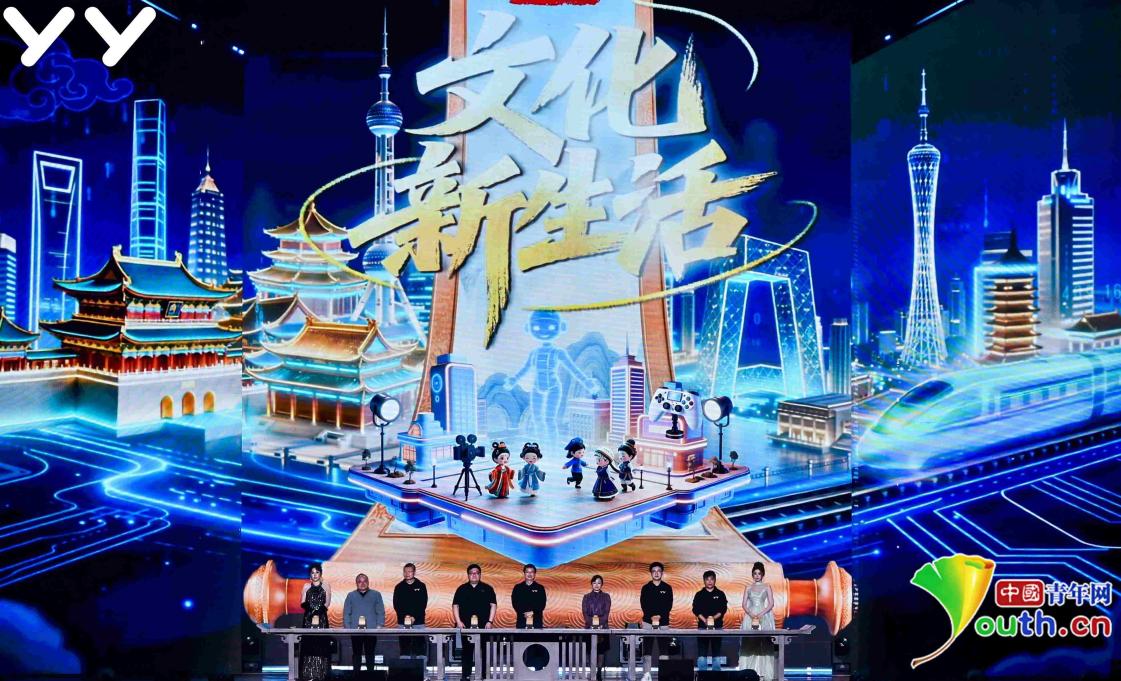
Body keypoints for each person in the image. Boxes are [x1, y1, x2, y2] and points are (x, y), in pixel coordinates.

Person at [452, 563, 497, 679]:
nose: (474, 575)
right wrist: (458, 621)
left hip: (484, 627)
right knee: (467, 652)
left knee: (484, 651)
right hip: (465, 626)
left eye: (476, 573)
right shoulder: (462, 589)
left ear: (480, 575)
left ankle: (484, 676)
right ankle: (465, 676)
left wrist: (490, 621)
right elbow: (455, 606)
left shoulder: (487, 588)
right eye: (471, 573)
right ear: (468, 575)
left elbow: (493, 605)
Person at [739, 562, 776, 680]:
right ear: (752, 575)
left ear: (762, 574)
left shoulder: (767, 586)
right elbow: (744, 604)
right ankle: (748, 673)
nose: (757, 575)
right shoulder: (748, 587)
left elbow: (771, 603)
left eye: (759, 573)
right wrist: (751, 614)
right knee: (749, 644)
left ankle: (764, 673)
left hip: (763, 616)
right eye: (755, 573)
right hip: (750, 616)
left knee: (764, 644)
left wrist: (761, 614)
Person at [343, 573, 385, 677]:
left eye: (364, 581)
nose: (362, 583)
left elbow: (380, 611)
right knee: (356, 654)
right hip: (355, 631)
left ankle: (370, 676)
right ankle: (356, 676)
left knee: (370, 654)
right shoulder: (351, 595)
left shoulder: (376, 594)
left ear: (368, 582)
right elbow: (346, 612)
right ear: (356, 583)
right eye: (359, 581)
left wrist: (379, 625)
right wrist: (348, 628)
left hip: (371, 630)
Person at [639, 562, 674, 681]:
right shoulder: (646, 588)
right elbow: (644, 605)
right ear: (651, 573)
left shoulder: (667, 588)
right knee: (647, 649)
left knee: (664, 649)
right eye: (654, 571)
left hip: (663, 622)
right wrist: (652, 617)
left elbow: (668, 605)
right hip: (648, 622)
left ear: (662, 573)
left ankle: (664, 674)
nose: (656, 573)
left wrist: (659, 616)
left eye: (659, 571)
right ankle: (646, 674)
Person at [299, 563, 333, 681]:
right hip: (308, 619)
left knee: (321, 645)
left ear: (320, 573)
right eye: (312, 573)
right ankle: (308, 674)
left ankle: (321, 674)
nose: (315, 575)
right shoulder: (306, 586)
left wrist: (318, 611)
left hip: (322, 618)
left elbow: (327, 603)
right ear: (310, 574)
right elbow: (302, 602)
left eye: (317, 572)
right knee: (309, 644)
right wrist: (311, 610)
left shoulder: (326, 585)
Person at [692, 570, 728, 671]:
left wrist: (712, 618)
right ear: (704, 581)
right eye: (707, 579)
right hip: (702, 628)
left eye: (712, 579)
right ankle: (703, 676)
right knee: (702, 655)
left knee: (716, 654)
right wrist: (705, 620)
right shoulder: (699, 594)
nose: (709, 582)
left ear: (715, 580)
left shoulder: (720, 594)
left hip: (717, 627)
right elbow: (695, 609)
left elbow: (723, 609)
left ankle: (716, 676)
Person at [393, 563, 429, 660]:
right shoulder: (399, 587)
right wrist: (405, 617)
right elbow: (396, 605)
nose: (407, 574)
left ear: (414, 572)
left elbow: (423, 604)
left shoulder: (421, 586)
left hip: (418, 621)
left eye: (409, 571)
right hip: (402, 622)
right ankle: (405, 667)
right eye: (405, 571)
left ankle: (421, 667)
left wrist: (414, 617)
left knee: (420, 646)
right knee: (404, 646)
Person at [582, 575, 612, 681]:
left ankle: (599, 672)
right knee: (590, 650)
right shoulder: (586, 597)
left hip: (602, 628)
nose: (596, 585)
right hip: (589, 628)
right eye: (594, 583)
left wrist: (599, 624)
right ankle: (592, 671)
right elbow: (585, 613)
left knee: (601, 651)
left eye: (599, 583)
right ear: (591, 584)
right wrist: (592, 624)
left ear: (602, 584)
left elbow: (606, 613)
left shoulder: (606, 597)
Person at [511, 564, 547, 629]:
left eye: (532, 572)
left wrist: (532, 613)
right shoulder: (518, 588)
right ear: (524, 573)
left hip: (536, 622)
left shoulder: (540, 588)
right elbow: (515, 603)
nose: (529, 574)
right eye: (527, 572)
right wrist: (525, 613)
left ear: (535, 574)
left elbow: (542, 604)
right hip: (521, 621)